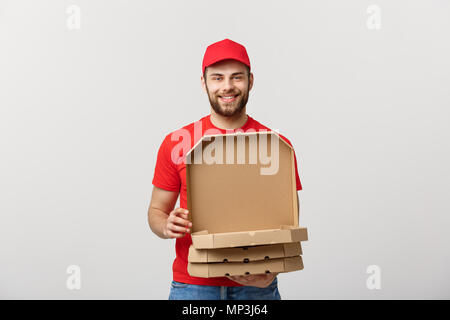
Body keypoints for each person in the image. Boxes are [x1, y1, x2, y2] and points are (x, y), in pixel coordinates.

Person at [147, 38, 303, 300]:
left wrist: (273, 268)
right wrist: (166, 225)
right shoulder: (177, 142)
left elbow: (289, 218)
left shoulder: (277, 145)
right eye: (217, 78)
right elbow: (156, 212)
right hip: (194, 286)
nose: (227, 86)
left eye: (236, 77)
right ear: (204, 82)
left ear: (250, 81)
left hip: (257, 286)